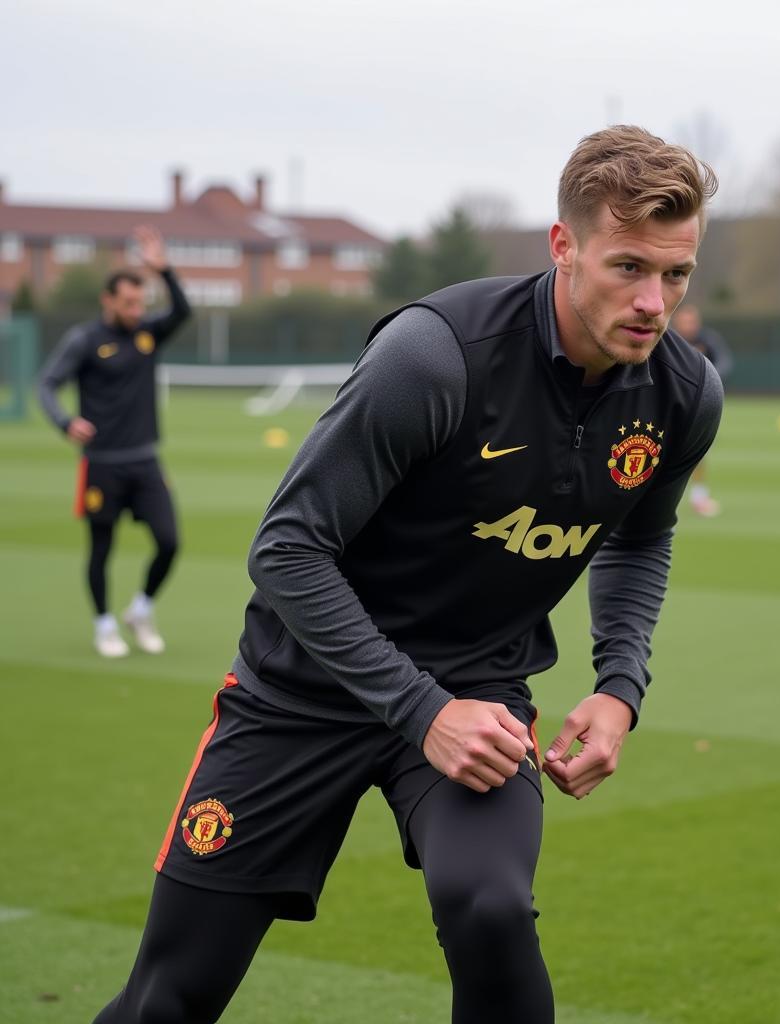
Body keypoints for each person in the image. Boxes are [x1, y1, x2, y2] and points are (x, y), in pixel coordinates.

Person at [91, 126, 723, 1024]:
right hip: (303, 690)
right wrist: (421, 711)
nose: (654, 302)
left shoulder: (684, 395)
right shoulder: (436, 356)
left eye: (677, 274)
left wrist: (620, 686)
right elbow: (286, 549)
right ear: (562, 245)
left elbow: (639, 539)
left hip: (479, 688)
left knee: (491, 908)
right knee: (170, 998)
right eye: (628, 267)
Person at [38, 226, 191, 657]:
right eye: (128, 302)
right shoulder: (84, 341)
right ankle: (104, 625)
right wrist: (65, 422)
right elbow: (47, 384)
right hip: (101, 463)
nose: (136, 309)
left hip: (145, 460)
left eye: (141, 302)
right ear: (108, 300)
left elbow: (182, 311)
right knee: (101, 548)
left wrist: (165, 271)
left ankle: (140, 610)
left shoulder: (148, 334)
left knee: (169, 541)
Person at [673, 303, 732, 516]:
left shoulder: (708, 339)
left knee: (696, 450)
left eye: (692, 321)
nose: (689, 326)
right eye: (685, 321)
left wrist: (710, 378)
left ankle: (699, 496)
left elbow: (725, 362)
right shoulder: (668, 339)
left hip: (697, 404)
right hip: (669, 402)